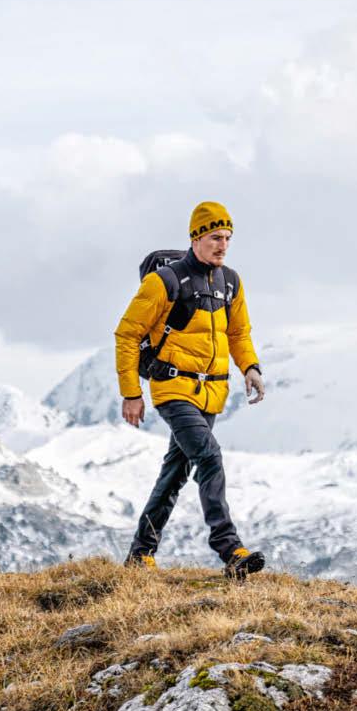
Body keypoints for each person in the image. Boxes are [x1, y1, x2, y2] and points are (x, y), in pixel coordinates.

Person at [114, 201, 266, 578]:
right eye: (215, 237)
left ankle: (140, 553)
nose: (223, 245)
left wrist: (250, 367)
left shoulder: (231, 282)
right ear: (196, 237)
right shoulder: (164, 282)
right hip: (173, 389)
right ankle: (230, 549)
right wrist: (132, 393)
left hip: (211, 394)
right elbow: (127, 335)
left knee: (175, 474)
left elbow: (238, 333)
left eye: (227, 238)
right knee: (210, 456)